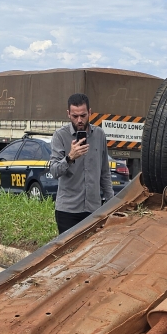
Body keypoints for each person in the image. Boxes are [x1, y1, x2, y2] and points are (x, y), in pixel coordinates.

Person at [47, 93, 113, 234]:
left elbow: (105, 173)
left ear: (89, 112)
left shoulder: (99, 135)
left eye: (83, 115)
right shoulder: (60, 136)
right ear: (68, 114)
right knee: (70, 254)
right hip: (68, 210)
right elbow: (54, 171)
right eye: (75, 116)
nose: (79, 120)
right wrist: (70, 157)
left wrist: (111, 202)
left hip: (93, 210)